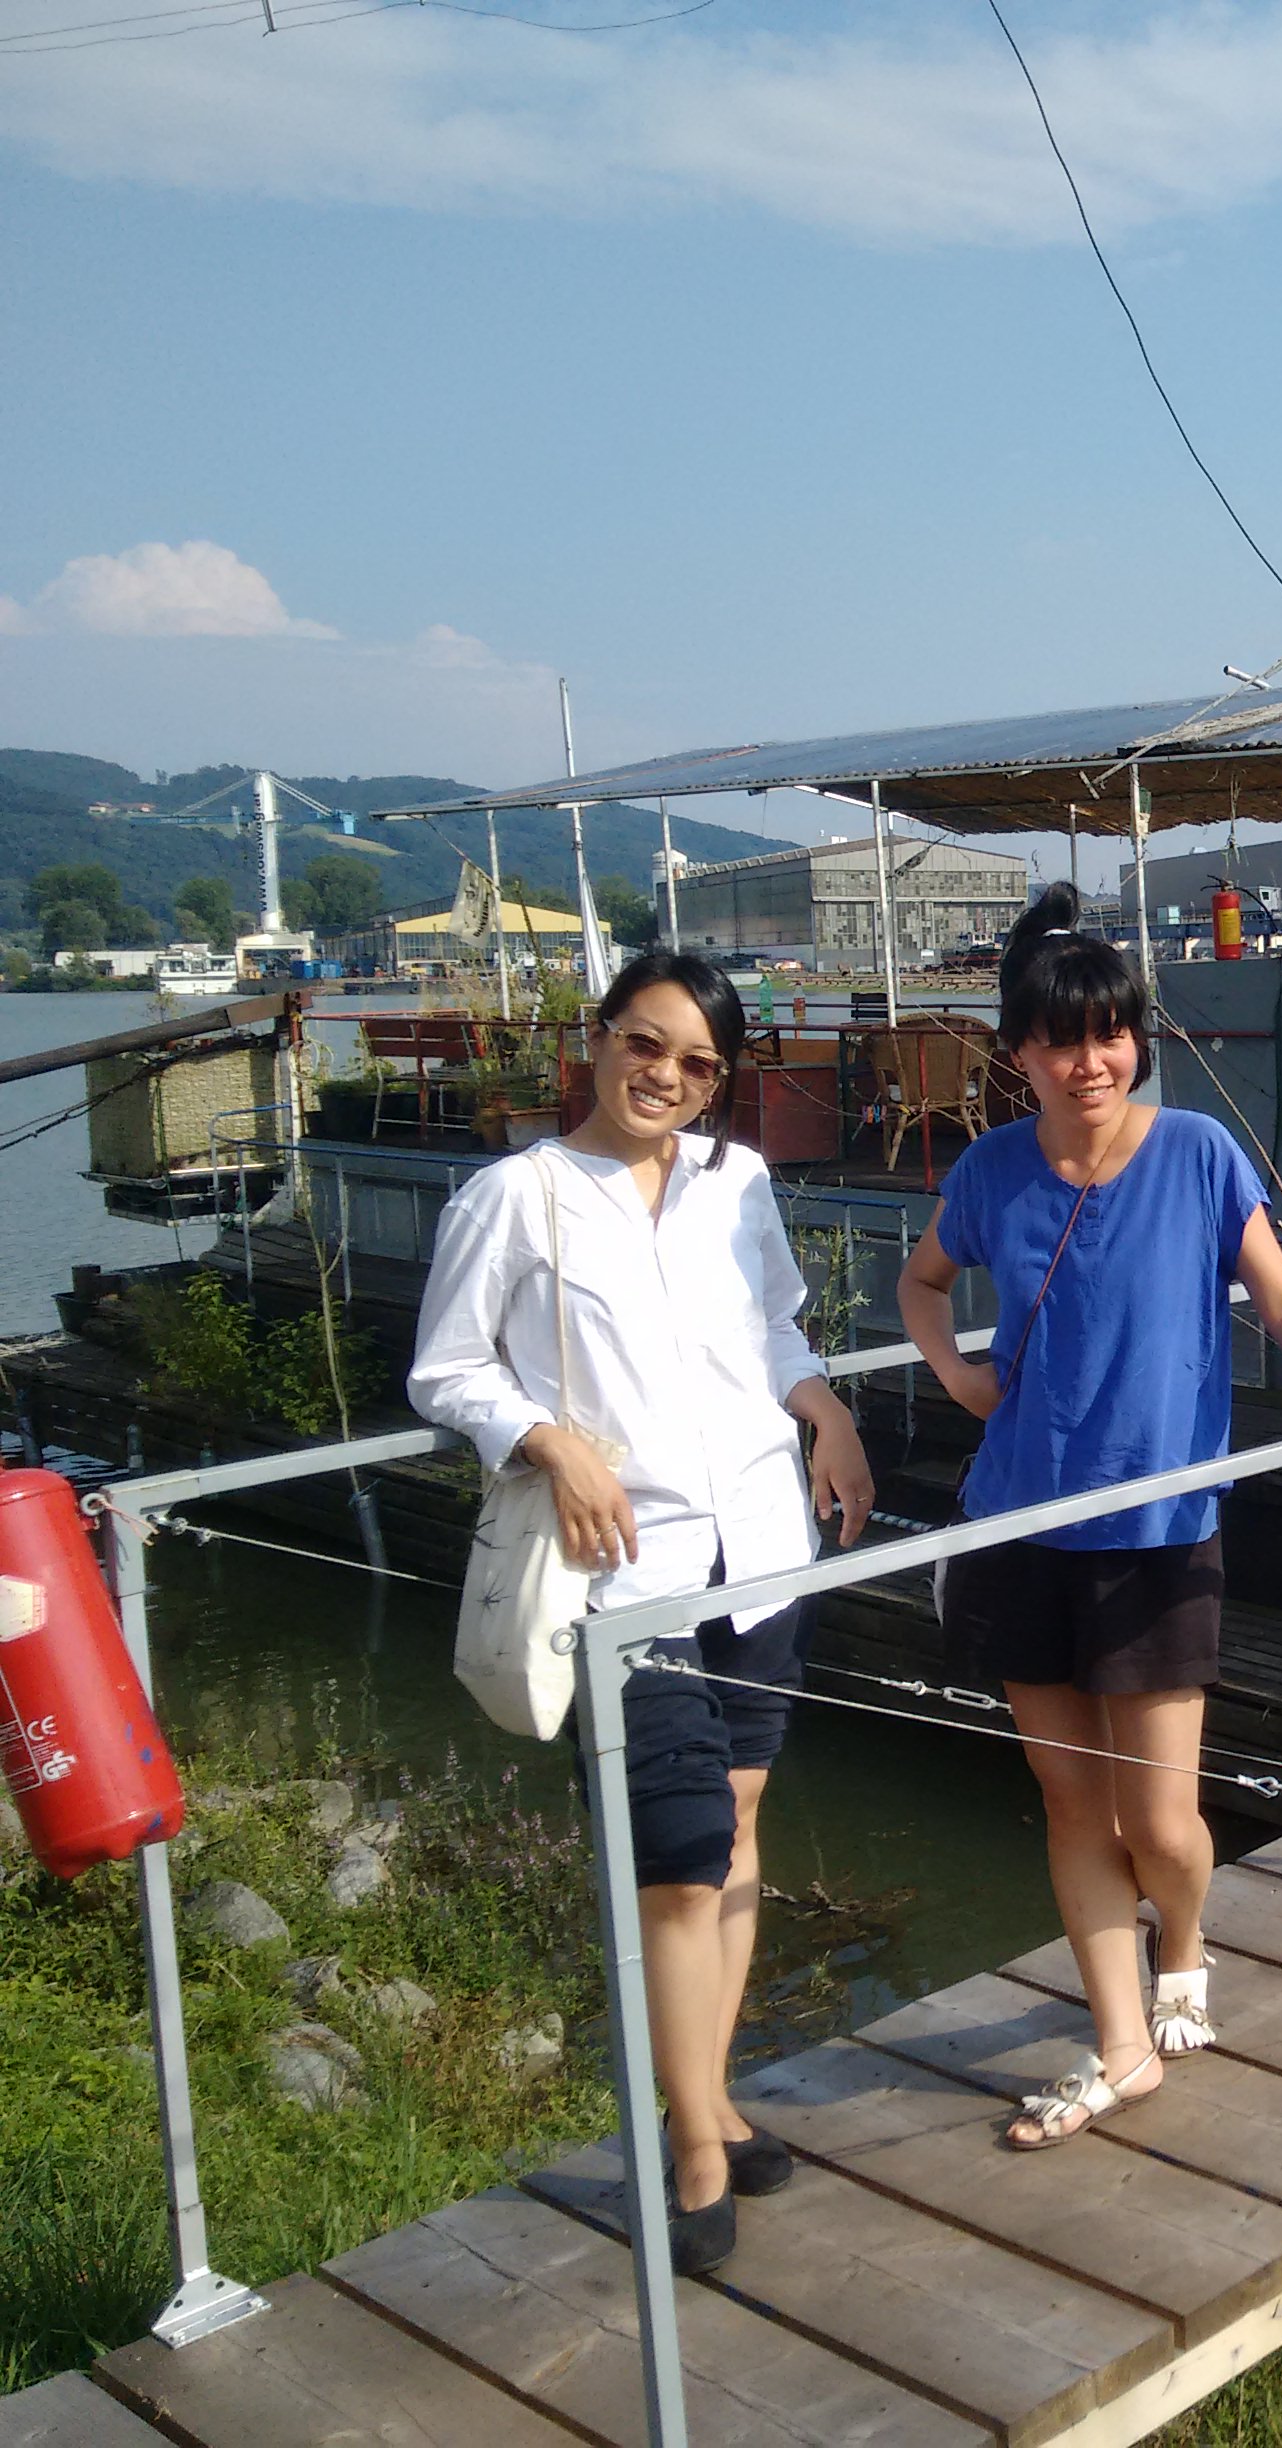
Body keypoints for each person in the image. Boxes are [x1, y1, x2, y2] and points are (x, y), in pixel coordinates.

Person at [900, 884, 1282, 2148]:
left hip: (1160, 1527)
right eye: (1062, 1041)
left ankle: (1184, 1941)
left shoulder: (1198, 1153)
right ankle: (1122, 2045)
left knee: (1159, 1820)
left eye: (1111, 1034)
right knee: (1073, 1804)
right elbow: (922, 1280)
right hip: (1021, 1523)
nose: (1091, 1062)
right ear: (1018, 1054)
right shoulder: (991, 1172)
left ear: (1136, 1039)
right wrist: (956, 1372)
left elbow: (1279, 1301)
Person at [409, 950, 874, 2271]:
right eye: (645, 1044)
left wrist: (826, 1407)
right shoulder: (521, 1196)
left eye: (697, 1063)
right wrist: (545, 1439)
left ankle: (715, 2091)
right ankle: (689, 2145)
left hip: (762, 1542)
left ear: (720, 1079)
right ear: (599, 1039)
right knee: (677, 1857)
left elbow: (774, 1326)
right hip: (624, 1571)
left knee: (734, 1824)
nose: (663, 1076)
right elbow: (445, 1367)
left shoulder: (742, 1183)